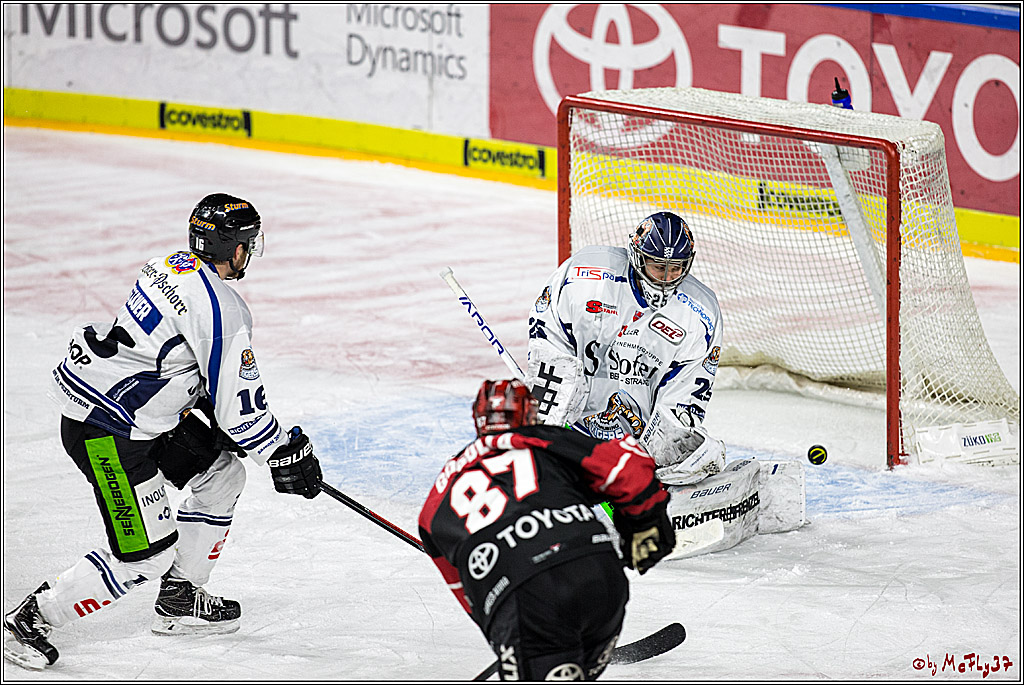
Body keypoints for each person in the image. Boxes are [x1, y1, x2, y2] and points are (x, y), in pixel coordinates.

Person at [3, 193, 324, 671]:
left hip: (124, 413)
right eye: (247, 243)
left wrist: (209, 411)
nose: (249, 253)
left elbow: (169, 358)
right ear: (232, 248)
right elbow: (242, 414)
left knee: (223, 477)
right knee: (147, 554)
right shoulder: (224, 312)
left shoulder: (167, 266)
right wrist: (285, 452)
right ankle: (28, 621)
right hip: (106, 432)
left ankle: (181, 598)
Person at [419, 379, 675, 681]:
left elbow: (468, 593)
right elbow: (629, 467)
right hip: (600, 575)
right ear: (530, 414)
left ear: (477, 419)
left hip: (527, 600)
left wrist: (508, 638)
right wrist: (645, 525)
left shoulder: (434, 504)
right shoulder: (546, 440)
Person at [525, 210, 726, 487]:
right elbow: (548, 328)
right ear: (638, 257)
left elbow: (687, 390)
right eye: (659, 266)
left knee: (689, 457)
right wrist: (551, 413)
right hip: (572, 422)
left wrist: (662, 450)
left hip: (637, 435)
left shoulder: (700, 313)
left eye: (676, 268)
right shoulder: (584, 277)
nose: (667, 277)